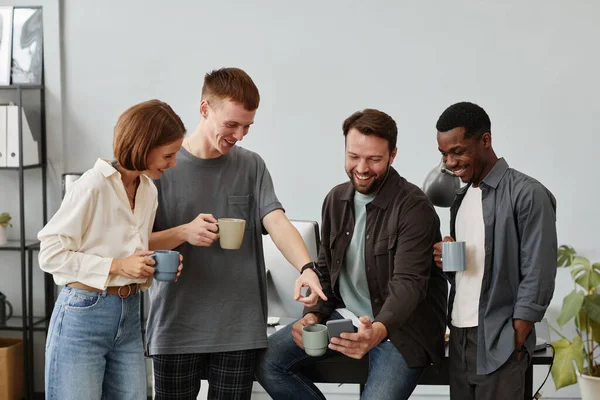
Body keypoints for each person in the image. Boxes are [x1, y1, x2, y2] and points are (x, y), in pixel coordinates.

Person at [146, 67, 327, 400]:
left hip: (238, 329)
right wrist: (184, 232)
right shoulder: (163, 167)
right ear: (204, 109)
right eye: (231, 124)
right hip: (176, 326)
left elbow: (276, 220)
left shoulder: (251, 165)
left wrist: (307, 268)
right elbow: (139, 243)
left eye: (247, 126)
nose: (240, 135)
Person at [256, 109, 448, 400]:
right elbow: (325, 270)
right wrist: (313, 315)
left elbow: (409, 284)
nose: (361, 167)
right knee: (266, 363)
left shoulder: (414, 207)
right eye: (353, 156)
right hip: (346, 317)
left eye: (374, 159)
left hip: (400, 329)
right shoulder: (336, 199)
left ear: (392, 155)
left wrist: (378, 330)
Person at [37, 99, 185, 399]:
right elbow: (50, 253)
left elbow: (132, 250)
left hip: (129, 314)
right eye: (168, 155)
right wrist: (118, 266)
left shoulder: (148, 190)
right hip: (83, 315)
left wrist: (151, 264)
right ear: (144, 145)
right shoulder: (92, 186)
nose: (173, 163)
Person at [432, 101, 557, 400]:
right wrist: (446, 261)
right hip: (460, 336)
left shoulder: (528, 193)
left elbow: (538, 272)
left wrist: (516, 336)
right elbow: (472, 275)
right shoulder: (460, 199)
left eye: (458, 151)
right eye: (444, 154)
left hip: (500, 338)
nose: (450, 162)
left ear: (485, 140)